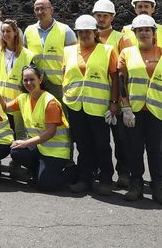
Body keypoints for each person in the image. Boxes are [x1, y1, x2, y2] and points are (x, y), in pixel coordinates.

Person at [119, 0, 162, 188]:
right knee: (135, 147)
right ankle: (135, 182)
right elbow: (124, 70)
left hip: (158, 103)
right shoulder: (126, 31)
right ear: (134, 8)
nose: (143, 9)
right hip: (136, 103)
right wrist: (124, 106)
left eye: (147, 5)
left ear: (153, 8)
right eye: (139, 6)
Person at [63, 15, 119, 196]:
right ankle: (84, 178)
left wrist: (114, 102)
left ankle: (105, 179)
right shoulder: (68, 51)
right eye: (81, 32)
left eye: (88, 31)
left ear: (95, 33)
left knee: (102, 144)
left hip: (99, 107)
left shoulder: (108, 50)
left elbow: (115, 79)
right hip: (75, 105)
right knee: (83, 144)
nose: (84, 35)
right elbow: (66, 75)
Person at [7, 65, 72, 192]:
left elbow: (50, 133)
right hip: (40, 148)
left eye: (32, 79)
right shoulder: (23, 98)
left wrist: (25, 143)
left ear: (40, 80)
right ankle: (39, 172)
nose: (28, 83)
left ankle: (72, 171)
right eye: (25, 80)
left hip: (56, 152)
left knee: (45, 185)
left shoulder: (49, 102)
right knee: (16, 151)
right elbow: (5, 107)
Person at [92, 0, 130, 188]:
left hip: (117, 97)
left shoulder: (120, 38)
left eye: (105, 16)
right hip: (97, 96)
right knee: (100, 139)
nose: (101, 19)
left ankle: (124, 172)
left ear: (112, 17)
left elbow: (127, 68)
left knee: (121, 138)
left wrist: (118, 99)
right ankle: (101, 171)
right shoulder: (88, 36)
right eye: (98, 15)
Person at [0, 19, 35, 143]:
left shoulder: (28, 55)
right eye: (3, 31)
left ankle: (17, 160)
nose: (6, 34)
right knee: (0, 131)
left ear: (16, 32)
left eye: (9, 31)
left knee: (20, 133)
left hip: (19, 101)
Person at [23, 0, 76, 101]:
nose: (39, 12)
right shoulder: (29, 31)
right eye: (36, 9)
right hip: (37, 83)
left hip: (59, 83)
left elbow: (74, 58)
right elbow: (25, 57)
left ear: (51, 10)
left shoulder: (65, 30)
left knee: (60, 113)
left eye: (43, 9)